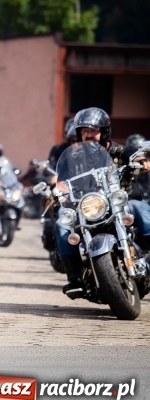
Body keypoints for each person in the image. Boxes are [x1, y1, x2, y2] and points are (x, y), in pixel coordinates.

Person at [53, 107, 149, 297]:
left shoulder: (115, 150)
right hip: (85, 204)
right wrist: (60, 190)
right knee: (60, 222)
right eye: (84, 131)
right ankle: (74, 277)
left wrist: (139, 159)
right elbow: (62, 180)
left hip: (116, 201)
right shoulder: (72, 156)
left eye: (93, 131)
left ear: (104, 131)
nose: (88, 135)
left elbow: (131, 154)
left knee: (138, 206)